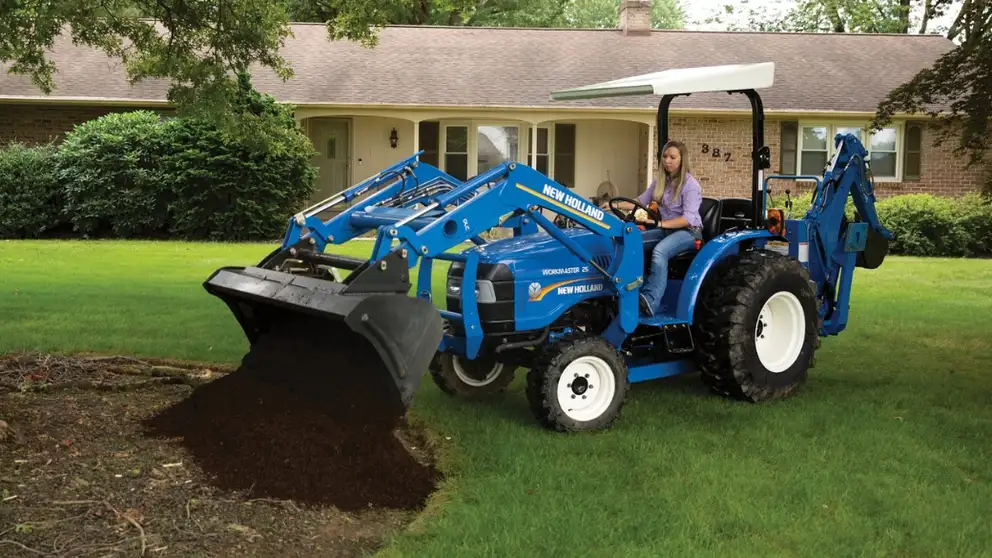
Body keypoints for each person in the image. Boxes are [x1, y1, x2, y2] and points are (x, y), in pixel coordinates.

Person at [603, 140, 703, 316]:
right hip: (666, 230)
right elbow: (640, 201)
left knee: (660, 252)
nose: (667, 161)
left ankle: (650, 301)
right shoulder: (660, 182)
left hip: (689, 233)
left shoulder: (691, 186)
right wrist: (615, 205)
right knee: (630, 241)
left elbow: (687, 219)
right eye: (665, 156)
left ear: (682, 160)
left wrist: (659, 224)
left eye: (672, 157)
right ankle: (627, 288)